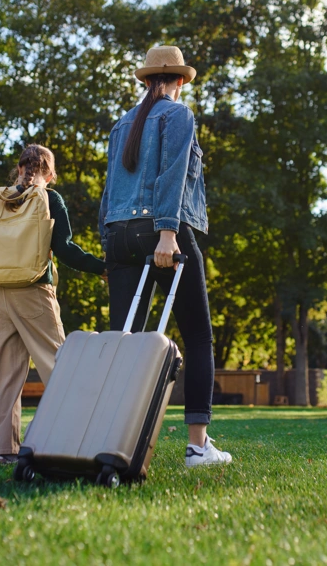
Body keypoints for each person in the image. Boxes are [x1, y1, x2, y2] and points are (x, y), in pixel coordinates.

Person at [98, 45, 231, 468]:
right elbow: (172, 175)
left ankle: (112, 441)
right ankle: (197, 448)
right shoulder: (178, 115)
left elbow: (108, 191)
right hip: (160, 233)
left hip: (119, 236)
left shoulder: (121, 123)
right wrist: (168, 234)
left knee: (125, 343)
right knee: (199, 338)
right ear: (179, 81)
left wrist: (107, 249)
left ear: (147, 80)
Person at [0, 145, 106, 466]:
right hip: (34, 292)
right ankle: (77, 440)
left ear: (19, 169)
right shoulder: (50, 199)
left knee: (2, 375)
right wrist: (102, 267)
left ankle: (2, 450)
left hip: (0, 294)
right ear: (51, 174)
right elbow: (65, 249)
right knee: (59, 366)